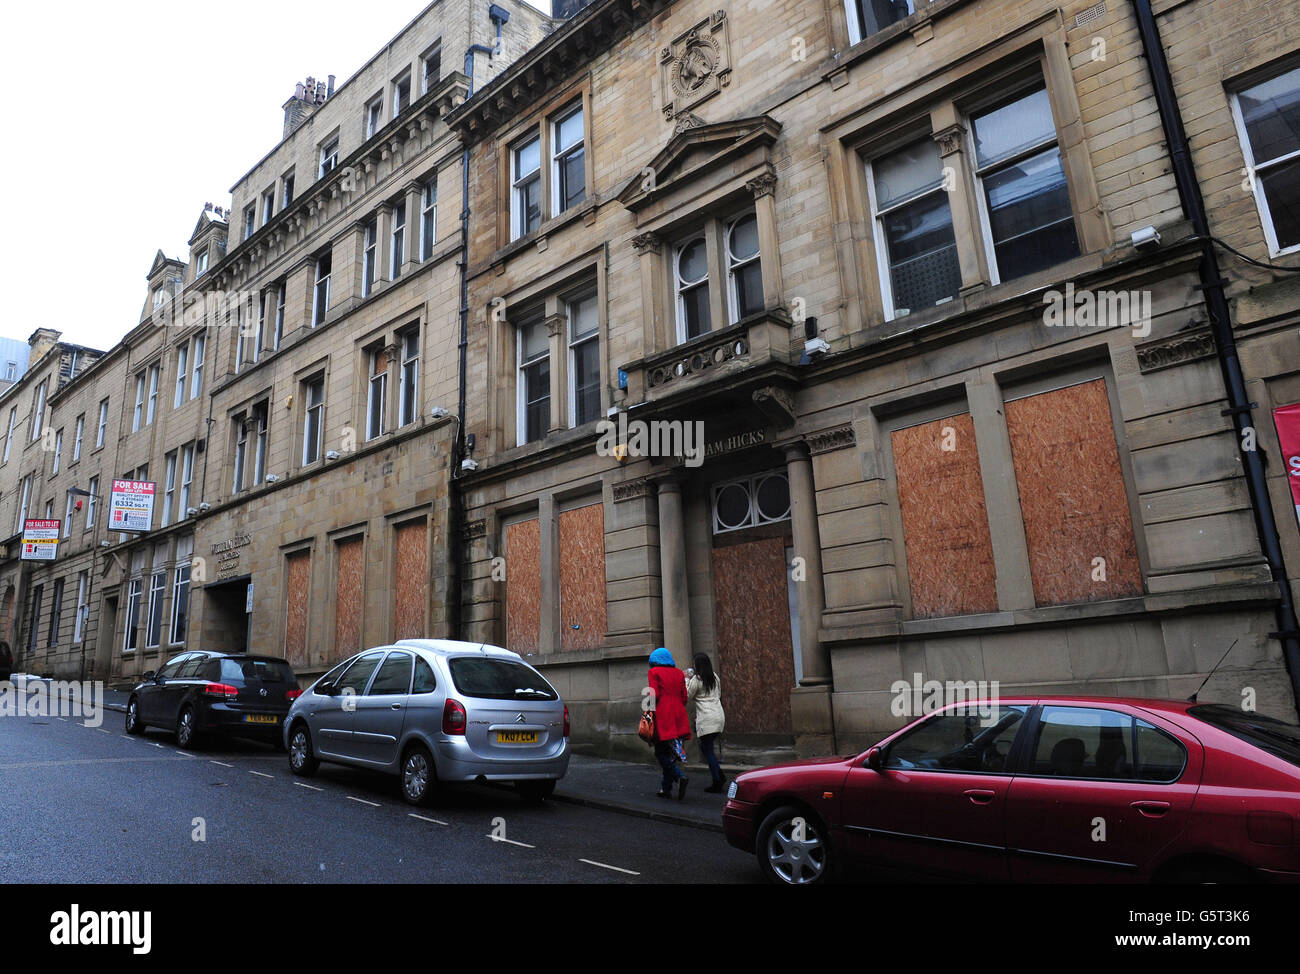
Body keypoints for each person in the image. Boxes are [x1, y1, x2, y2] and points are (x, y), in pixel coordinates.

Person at [647, 647, 691, 800]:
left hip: (663, 714)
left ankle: (679, 776)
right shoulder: (679, 673)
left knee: (660, 752)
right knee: (669, 753)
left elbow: (655, 694)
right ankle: (666, 789)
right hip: (678, 714)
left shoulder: (654, 672)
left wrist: (647, 707)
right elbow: (684, 697)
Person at [686, 653, 726, 793]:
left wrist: (686, 679)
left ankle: (717, 781)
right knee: (706, 748)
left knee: (708, 750)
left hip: (706, 718)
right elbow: (719, 694)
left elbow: (687, 695)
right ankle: (719, 775)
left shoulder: (697, 679)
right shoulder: (715, 677)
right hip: (718, 715)